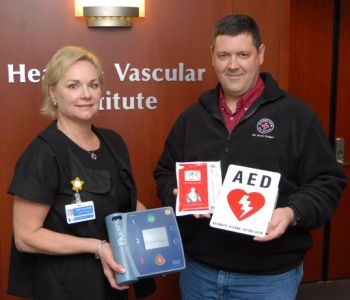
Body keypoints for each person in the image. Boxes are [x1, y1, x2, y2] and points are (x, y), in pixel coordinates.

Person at [153, 14, 347, 300]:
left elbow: (328, 181)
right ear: (212, 57)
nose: (233, 65)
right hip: (199, 274)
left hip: (269, 280)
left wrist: (291, 212)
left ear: (261, 55)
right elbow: (164, 172)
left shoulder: (297, 117)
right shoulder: (192, 118)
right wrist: (177, 193)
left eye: (243, 54)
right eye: (224, 55)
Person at [8, 46, 155, 300]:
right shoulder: (43, 153)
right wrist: (96, 247)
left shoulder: (113, 142)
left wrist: (163, 231)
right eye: (73, 86)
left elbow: (126, 202)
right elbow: (26, 237)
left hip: (114, 281)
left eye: (93, 85)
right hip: (66, 288)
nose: (86, 94)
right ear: (53, 92)